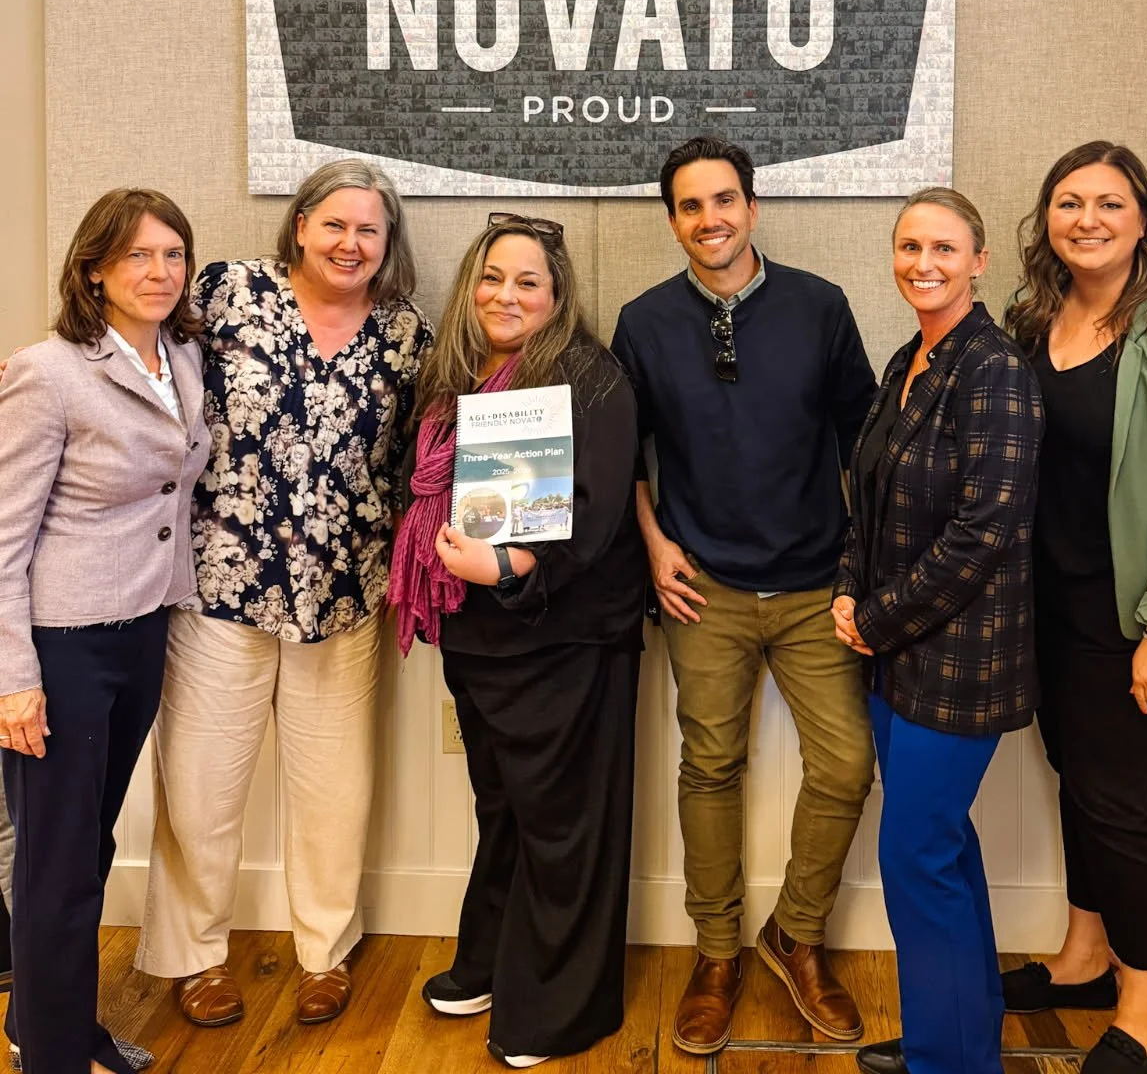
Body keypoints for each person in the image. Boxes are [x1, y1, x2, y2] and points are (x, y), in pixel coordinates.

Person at [134, 160, 432, 1028]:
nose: (350, 243)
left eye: (368, 230)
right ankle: (196, 957)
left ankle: (323, 952)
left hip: (345, 591)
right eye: (334, 224)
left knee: (334, 790)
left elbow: (419, 451)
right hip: (219, 582)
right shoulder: (228, 292)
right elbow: (143, 358)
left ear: (387, 243)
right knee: (199, 788)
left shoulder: (405, 332)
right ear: (300, 225)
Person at [610, 136, 877, 1053]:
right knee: (710, 767)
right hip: (704, 590)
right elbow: (624, 455)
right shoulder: (645, 322)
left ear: (752, 208)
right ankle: (716, 953)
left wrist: (861, 567)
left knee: (846, 765)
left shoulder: (820, 306)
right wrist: (654, 547)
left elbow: (864, 444)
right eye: (690, 206)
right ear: (673, 221)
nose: (710, 219)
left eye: (724, 200)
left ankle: (796, 936)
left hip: (816, 586)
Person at [392, 212, 645, 1069]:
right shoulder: (452, 372)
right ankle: (492, 962)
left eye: (528, 281)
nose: (506, 295)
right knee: (502, 809)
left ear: (557, 293)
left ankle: (560, 1008)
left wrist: (507, 565)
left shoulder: (590, 376)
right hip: (476, 636)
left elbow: (595, 518)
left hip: (565, 635)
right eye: (492, 278)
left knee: (565, 824)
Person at [0, 189, 212, 1074]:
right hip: (63, 646)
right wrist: (14, 677)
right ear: (93, 269)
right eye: (136, 256)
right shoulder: (47, 372)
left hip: (143, 628)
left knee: (87, 845)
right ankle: (54, 1055)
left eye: (173, 254)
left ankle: (45, 1025)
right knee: (58, 862)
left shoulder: (183, 355)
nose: (159, 272)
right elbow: (3, 536)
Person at [1000, 142, 1147, 1074]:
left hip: (1134, 614)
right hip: (1045, 603)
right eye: (1069, 202)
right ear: (1048, 218)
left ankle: (1146, 1009)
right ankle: (1083, 958)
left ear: (1142, 218)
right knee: (1074, 780)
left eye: (1109, 203)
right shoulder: (1032, 315)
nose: (1087, 220)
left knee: (1117, 802)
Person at [833, 187, 1042, 1074]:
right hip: (894, 659)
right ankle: (956, 1041)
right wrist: (850, 589)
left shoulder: (994, 371)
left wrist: (876, 618)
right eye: (910, 247)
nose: (924, 264)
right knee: (940, 849)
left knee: (917, 856)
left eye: (944, 249)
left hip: (959, 664)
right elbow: (869, 494)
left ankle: (947, 1061)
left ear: (979, 261)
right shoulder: (908, 359)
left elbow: (983, 532)